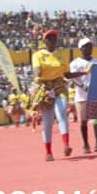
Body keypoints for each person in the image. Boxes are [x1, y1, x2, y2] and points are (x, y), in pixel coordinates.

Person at [31, 30, 87, 160]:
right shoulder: (37, 55)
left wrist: (83, 73)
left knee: (61, 112)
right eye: (49, 38)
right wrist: (37, 72)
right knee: (48, 121)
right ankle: (48, 152)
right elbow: (36, 71)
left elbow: (67, 74)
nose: (52, 41)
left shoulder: (62, 55)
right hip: (44, 88)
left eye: (54, 38)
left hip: (59, 86)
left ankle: (66, 145)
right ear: (44, 41)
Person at [70, 38, 97, 153]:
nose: (90, 48)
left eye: (91, 46)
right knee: (83, 121)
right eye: (87, 46)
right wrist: (83, 87)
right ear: (81, 48)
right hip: (81, 96)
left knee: (96, 118)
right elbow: (73, 79)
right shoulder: (75, 63)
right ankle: (85, 144)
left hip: (95, 94)